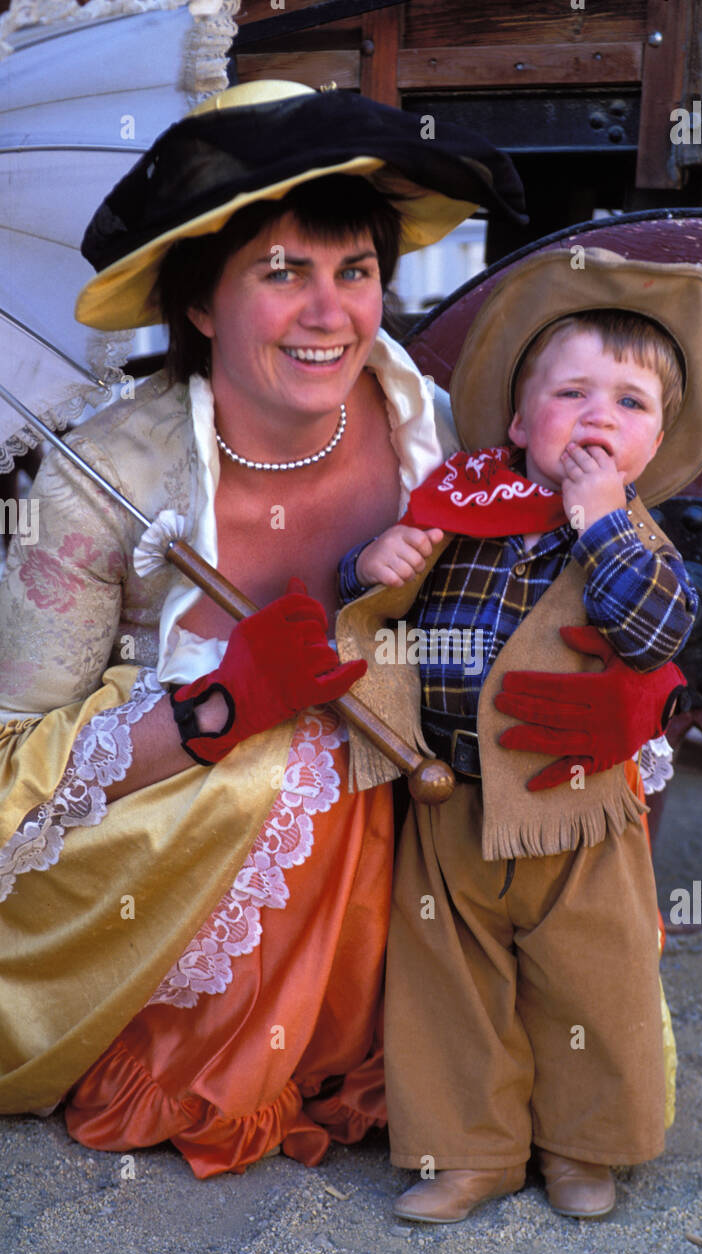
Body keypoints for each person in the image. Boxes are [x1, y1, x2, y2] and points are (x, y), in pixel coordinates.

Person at [0, 79, 528, 1177]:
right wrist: (220, 702)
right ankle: (202, 1051)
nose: (330, 313)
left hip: (398, 813)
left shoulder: (418, 414)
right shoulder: (106, 480)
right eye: (282, 274)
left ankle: (412, 1024)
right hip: (150, 850)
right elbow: (11, 769)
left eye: (357, 272)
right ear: (200, 303)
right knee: (281, 761)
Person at [334, 246, 702, 1220]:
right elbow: (388, 614)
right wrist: (371, 563)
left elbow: (655, 630)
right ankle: (467, 1150)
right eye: (572, 393)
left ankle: (582, 1146)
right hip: (449, 798)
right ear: (520, 421)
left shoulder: (638, 538)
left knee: (589, 979)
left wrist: (601, 522)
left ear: (657, 442)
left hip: (574, 805)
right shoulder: (463, 513)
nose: (599, 416)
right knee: (449, 984)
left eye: (631, 403)